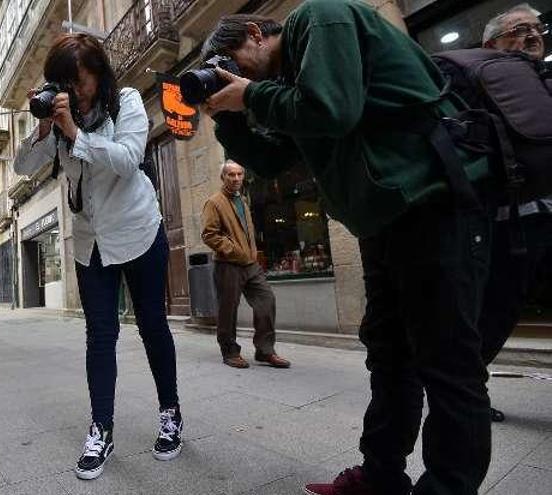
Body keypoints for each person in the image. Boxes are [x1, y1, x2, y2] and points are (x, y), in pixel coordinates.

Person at [200, 2, 493, 494]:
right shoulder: (289, 84)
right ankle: (380, 478)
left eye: (231, 64)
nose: (232, 76)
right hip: (383, 224)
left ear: (254, 33)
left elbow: (331, 110)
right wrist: (226, 118)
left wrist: (250, 97)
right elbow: (271, 159)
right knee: (390, 358)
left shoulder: (319, 17)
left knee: (447, 363)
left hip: (430, 205)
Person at [13, 33, 182, 480]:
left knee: (151, 326)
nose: (74, 90)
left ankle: (170, 414)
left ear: (98, 74)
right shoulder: (59, 114)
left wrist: (75, 134)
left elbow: (128, 158)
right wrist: (45, 130)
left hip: (139, 231)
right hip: (90, 243)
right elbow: (23, 169)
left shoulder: (125, 101)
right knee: (99, 336)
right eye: (64, 83)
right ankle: (101, 429)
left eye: (80, 80)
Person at [437, 3, 551, 423]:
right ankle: (465, 390)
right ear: (491, 43)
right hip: (510, 217)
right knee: (498, 309)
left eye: (537, 28)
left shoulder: (545, 79)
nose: (532, 35)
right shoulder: (469, 75)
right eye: (519, 29)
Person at [201, 160, 290, 369]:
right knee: (228, 309)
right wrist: (235, 251)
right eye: (231, 175)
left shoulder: (243, 201)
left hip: (250, 264)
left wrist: (251, 254)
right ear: (223, 177)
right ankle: (230, 351)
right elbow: (209, 235)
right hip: (228, 264)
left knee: (266, 301)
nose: (236, 178)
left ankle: (265, 350)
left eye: (240, 174)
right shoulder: (214, 202)